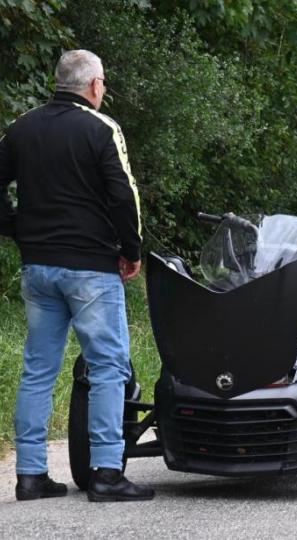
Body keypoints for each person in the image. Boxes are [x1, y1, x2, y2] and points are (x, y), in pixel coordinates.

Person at [0, 50, 154, 501]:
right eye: (103, 84)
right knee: (108, 367)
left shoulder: (20, 127)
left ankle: (30, 476)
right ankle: (106, 472)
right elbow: (123, 195)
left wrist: (15, 227)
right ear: (93, 85)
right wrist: (131, 251)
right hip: (90, 267)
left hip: (38, 265)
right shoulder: (102, 129)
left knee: (37, 371)